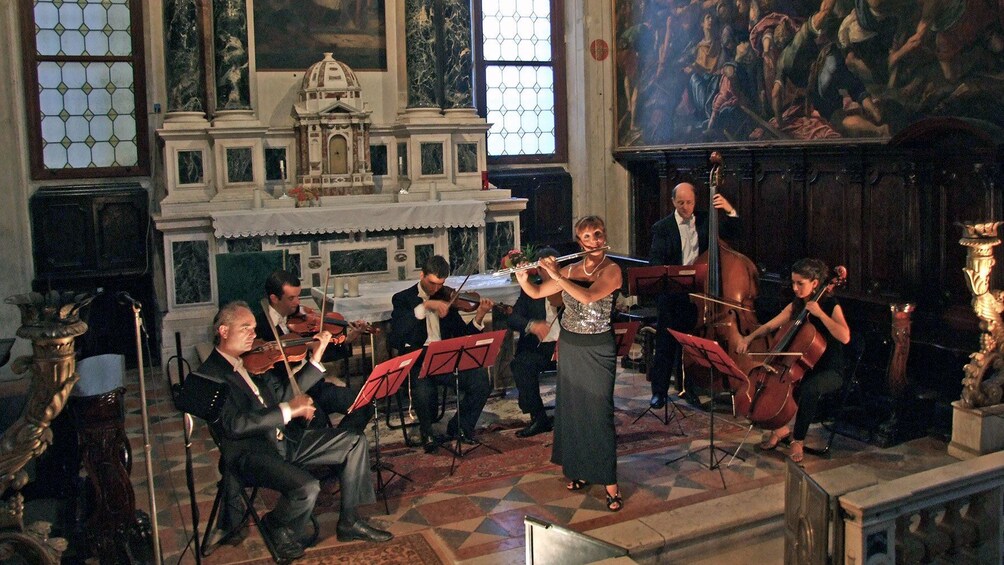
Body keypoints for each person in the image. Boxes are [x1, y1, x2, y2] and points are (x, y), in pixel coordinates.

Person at [199, 301, 392, 561]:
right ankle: (277, 525)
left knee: (354, 441)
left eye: (254, 329)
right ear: (223, 331)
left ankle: (349, 521)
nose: (254, 335)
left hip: (284, 440)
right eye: (245, 328)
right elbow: (235, 424)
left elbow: (286, 393)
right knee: (308, 486)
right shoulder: (208, 375)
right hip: (251, 454)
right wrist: (288, 411)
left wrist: (316, 358)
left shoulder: (253, 362)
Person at [514, 216, 624, 512]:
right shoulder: (572, 267)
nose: (594, 240)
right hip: (572, 346)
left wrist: (557, 275)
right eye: (587, 236)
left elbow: (588, 297)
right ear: (579, 241)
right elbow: (537, 292)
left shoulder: (612, 271)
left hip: (597, 348)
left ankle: (611, 485)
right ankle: (578, 470)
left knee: (599, 413)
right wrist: (524, 278)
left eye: (598, 234)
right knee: (572, 409)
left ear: (604, 236)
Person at [736, 258, 850, 463]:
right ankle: (779, 429)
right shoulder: (797, 305)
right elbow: (770, 326)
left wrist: (821, 315)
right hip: (803, 367)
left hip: (830, 370)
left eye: (800, 283)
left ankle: (798, 440)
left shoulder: (830, 304)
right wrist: (748, 338)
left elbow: (845, 336)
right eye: (793, 283)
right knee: (779, 385)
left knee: (808, 389)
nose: (795, 288)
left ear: (815, 283)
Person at [388, 255, 494, 453]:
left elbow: (463, 335)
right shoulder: (403, 299)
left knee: (481, 380)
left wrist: (479, 316)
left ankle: (460, 427)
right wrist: (426, 306)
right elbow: (396, 336)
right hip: (418, 359)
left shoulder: (446, 297)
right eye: (432, 283)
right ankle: (427, 432)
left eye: (441, 284)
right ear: (422, 275)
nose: (436, 289)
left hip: (446, 357)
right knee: (424, 390)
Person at [648, 182, 739, 409]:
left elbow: (736, 234)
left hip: (701, 294)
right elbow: (655, 262)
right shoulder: (662, 228)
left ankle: (690, 388)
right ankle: (659, 392)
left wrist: (729, 210)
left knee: (692, 345)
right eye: (681, 203)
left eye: (689, 202)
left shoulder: (707, 219)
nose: (686, 207)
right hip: (672, 295)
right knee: (665, 345)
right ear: (673, 202)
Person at [257, 270, 374, 435]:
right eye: (291, 298)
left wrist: (348, 337)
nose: (297, 302)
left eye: (298, 296)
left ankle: (340, 446)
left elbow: (321, 352)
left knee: (364, 403)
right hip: (292, 392)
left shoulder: (298, 318)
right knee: (317, 422)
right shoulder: (260, 328)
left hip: (316, 386)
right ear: (274, 298)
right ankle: (333, 447)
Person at [507, 247, 563, 438]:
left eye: (555, 266)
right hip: (541, 346)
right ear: (538, 270)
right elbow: (513, 318)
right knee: (520, 365)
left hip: (566, 345)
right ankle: (539, 418)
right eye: (546, 267)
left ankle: (572, 415)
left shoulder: (568, 285)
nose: (551, 270)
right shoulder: (531, 289)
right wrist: (532, 325)